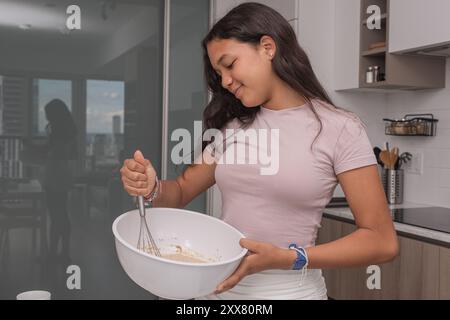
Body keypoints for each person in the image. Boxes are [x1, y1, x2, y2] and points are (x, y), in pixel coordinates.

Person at [120, 3, 398, 300]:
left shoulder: (339, 128)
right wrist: (150, 188)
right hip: (217, 292)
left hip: (290, 293)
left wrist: (291, 257)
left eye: (229, 64)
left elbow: (382, 241)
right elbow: (180, 190)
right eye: (218, 72)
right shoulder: (233, 127)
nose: (224, 81)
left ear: (267, 47)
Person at [43, 99, 77, 264]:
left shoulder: (58, 131)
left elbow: (55, 153)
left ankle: (53, 253)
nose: (46, 117)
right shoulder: (68, 130)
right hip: (62, 175)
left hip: (56, 175)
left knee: (56, 215)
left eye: (48, 114)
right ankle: (63, 252)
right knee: (61, 214)